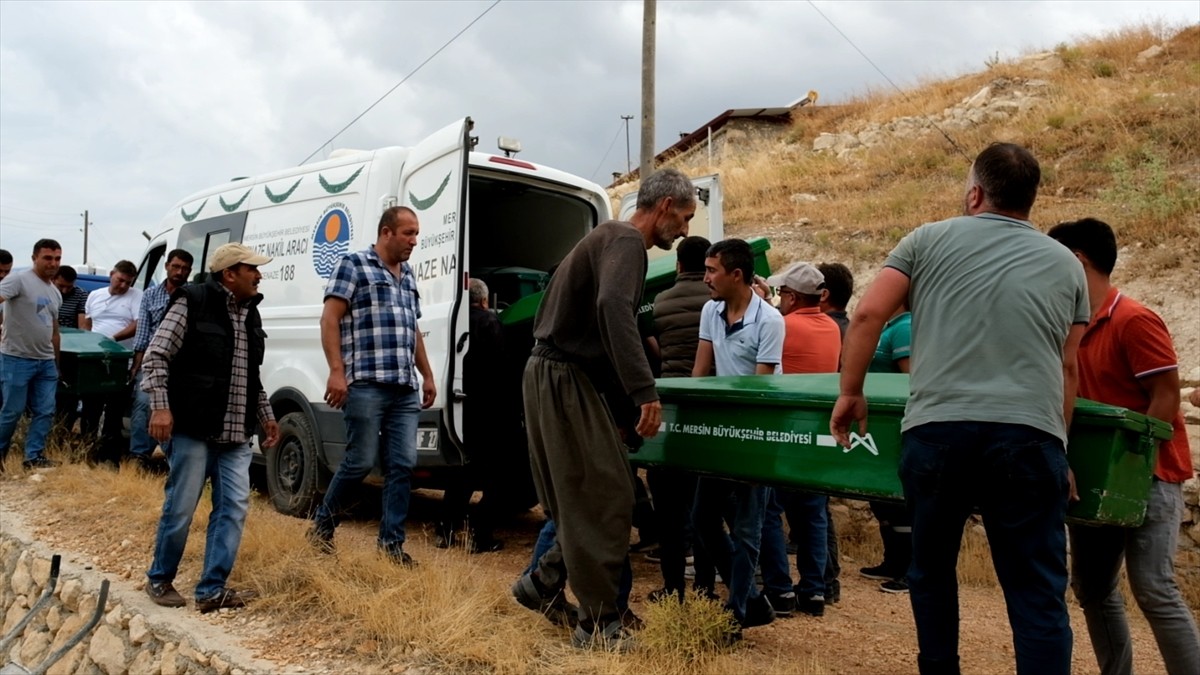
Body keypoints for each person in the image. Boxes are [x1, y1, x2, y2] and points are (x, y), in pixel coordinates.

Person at [831, 142, 1088, 675]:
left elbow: (868, 315)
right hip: (1030, 436)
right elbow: (1068, 367)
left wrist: (851, 392)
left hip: (939, 431)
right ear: (1029, 200)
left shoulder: (927, 239)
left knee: (931, 572)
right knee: (1036, 590)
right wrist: (1058, 448)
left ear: (975, 194)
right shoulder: (1067, 264)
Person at [511, 167, 693, 650]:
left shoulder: (609, 238)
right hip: (563, 376)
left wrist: (618, 404)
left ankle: (544, 581)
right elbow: (613, 307)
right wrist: (643, 391)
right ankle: (598, 625)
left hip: (558, 376)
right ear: (665, 206)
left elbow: (602, 326)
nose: (685, 230)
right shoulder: (626, 241)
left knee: (593, 495)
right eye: (685, 217)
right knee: (606, 497)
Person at [1047, 217, 1200, 675]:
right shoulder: (1068, 326)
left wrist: (1131, 466)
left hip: (1151, 474)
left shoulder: (1134, 319)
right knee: (1092, 588)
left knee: (1154, 588)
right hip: (1095, 476)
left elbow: (1165, 397)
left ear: (1076, 261)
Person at [142, 243, 279, 613]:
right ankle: (159, 578)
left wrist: (266, 415)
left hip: (235, 433)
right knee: (182, 507)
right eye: (252, 269)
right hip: (193, 427)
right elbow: (156, 356)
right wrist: (161, 408)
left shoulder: (251, 314)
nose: (259, 275)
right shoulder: (192, 301)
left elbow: (250, 376)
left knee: (233, 508)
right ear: (230, 274)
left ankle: (211, 590)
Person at [307, 206, 436, 567]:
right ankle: (323, 525)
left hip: (404, 387)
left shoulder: (408, 275)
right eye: (408, 233)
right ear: (386, 232)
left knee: (403, 465)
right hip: (365, 384)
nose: (414, 241)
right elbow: (329, 319)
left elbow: (412, 329)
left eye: (416, 234)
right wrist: (337, 371)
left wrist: (427, 375)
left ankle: (391, 545)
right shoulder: (354, 265)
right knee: (360, 461)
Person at [690, 238, 783, 635]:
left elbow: (761, 390)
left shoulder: (770, 321)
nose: (705, 278)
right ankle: (751, 600)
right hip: (722, 429)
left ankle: (736, 614)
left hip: (757, 431)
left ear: (737, 274)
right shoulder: (710, 311)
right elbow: (700, 372)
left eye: (712, 270)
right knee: (702, 518)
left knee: (747, 528)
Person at [758, 262, 841, 618]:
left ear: (792, 297)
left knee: (769, 510)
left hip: (786, 429)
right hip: (818, 430)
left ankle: (779, 588)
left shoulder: (785, 325)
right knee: (813, 515)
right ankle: (814, 591)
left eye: (781, 294)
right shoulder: (832, 328)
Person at [647, 235, 717, 602]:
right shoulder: (717, 302)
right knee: (707, 508)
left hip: (672, 408)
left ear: (677, 265)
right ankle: (706, 586)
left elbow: (655, 348)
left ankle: (672, 588)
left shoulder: (661, 301)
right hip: (710, 409)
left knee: (669, 507)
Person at [436, 277, 504, 553]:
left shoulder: (454, 323)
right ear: (485, 300)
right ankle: (481, 536)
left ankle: (445, 531)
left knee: (462, 472)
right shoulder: (490, 323)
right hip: (489, 409)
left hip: (461, 407)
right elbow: (500, 367)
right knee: (497, 475)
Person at [859, 303, 913, 594]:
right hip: (878, 429)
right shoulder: (890, 327)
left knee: (899, 502)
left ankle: (909, 570)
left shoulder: (905, 327)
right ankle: (892, 562)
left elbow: (909, 381)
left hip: (895, 429)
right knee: (882, 502)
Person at [0, 240, 62, 470]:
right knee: (12, 412)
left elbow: (54, 331)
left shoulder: (54, 292)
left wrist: (56, 363)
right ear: (34, 258)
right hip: (16, 358)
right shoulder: (18, 280)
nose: (53, 263)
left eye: (57, 258)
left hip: (45, 361)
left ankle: (33, 457)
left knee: (45, 411)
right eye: (47, 258)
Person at [129, 249, 194, 465]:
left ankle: (170, 456)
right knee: (142, 404)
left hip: (180, 363)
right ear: (167, 266)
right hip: (152, 360)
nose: (179, 272)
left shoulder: (191, 295)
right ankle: (139, 454)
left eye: (184, 269)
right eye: (175, 266)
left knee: (173, 408)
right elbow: (142, 332)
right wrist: (136, 365)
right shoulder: (150, 294)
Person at [816, 260, 854, 604]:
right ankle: (827, 582)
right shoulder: (850, 329)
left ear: (823, 294)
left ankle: (826, 581)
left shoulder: (827, 328)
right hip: (836, 425)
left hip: (824, 424)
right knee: (818, 507)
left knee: (816, 508)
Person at [81, 260, 142, 464]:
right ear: (111, 275)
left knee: (114, 412)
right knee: (91, 408)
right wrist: (88, 342)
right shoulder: (95, 295)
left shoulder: (136, 296)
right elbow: (88, 322)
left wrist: (113, 339)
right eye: (120, 280)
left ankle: (110, 456)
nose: (123, 285)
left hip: (120, 361)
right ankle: (88, 451)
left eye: (128, 282)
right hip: (96, 359)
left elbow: (138, 323)